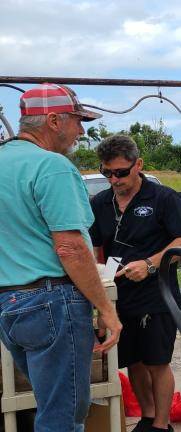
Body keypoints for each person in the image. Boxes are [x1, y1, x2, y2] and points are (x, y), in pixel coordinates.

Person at [0, 83, 122, 432]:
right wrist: (108, 311)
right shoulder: (52, 166)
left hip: (9, 304)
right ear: (53, 120)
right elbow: (70, 248)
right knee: (64, 416)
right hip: (51, 302)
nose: (81, 131)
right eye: (76, 121)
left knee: (50, 403)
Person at [88, 135, 181, 432]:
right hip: (120, 295)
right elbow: (97, 251)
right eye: (107, 173)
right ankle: (147, 417)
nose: (114, 179)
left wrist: (149, 265)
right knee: (132, 360)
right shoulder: (99, 203)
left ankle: (161, 425)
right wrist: (101, 293)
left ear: (139, 165)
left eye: (121, 172)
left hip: (156, 294)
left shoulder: (164, 198)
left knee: (157, 361)